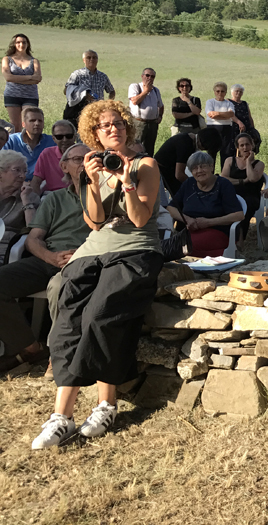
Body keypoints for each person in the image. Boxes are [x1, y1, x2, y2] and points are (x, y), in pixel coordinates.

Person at [32, 100, 163, 449]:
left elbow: (139, 219)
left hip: (135, 249)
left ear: (127, 128)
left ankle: (106, 405)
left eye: (118, 123)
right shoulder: (93, 168)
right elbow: (94, 221)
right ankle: (62, 416)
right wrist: (91, 181)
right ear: (95, 134)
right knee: (68, 318)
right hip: (93, 250)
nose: (113, 129)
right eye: (105, 126)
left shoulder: (145, 165)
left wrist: (126, 182)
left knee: (100, 315)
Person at [0, 143, 92, 373]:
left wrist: (80, 255)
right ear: (64, 166)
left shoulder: (107, 198)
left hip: (85, 260)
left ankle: (59, 354)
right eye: (78, 159)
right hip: (48, 258)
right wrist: (50, 257)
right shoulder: (55, 199)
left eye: (89, 159)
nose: (84, 164)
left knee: (60, 287)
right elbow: (33, 239)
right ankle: (30, 347)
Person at [167, 151, 244, 257]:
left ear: (211, 167)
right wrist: (187, 219)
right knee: (174, 245)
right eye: (195, 168)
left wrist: (208, 222)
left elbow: (239, 215)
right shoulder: (188, 184)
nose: (199, 171)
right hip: (191, 231)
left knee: (184, 246)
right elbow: (171, 207)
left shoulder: (223, 185)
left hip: (218, 231)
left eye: (203, 166)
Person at [153, 126, 222, 197]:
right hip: (162, 170)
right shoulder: (186, 145)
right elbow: (179, 175)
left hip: (168, 168)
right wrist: (196, 185)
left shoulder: (189, 138)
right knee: (183, 195)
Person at [221, 133, 264, 244]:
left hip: (251, 195)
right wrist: (243, 181)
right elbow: (224, 179)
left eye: (247, 144)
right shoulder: (230, 160)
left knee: (246, 204)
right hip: (233, 194)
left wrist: (248, 162)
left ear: (252, 145)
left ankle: (240, 239)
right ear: (237, 147)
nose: (245, 148)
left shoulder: (259, 164)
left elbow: (252, 178)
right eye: (242, 145)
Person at [0, 150, 39, 262]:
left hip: (5, 250)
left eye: (24, 171)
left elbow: (33, 229)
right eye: (17, 170)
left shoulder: (30, 197)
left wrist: (25, 199)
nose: (22, 176)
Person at [63, 50, 115, 129]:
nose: (91, 59)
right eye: (88, 57)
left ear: (97, 60)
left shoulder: (103, 76)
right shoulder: (77, 74)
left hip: (98, 111)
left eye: (94, 57)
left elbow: (111, 91)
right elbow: (66, 90)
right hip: (80, 111)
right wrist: (82, 94)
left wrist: (108, 103)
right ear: (84, 60)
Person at [2, 33, 42, 132]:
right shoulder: (7, 59)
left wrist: (16, 78)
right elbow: (8, 77)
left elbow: (37, 79)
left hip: (30, 96)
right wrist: (30, 77)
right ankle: (15, 142)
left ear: (28, 44)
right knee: (15, 125)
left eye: (24, 42)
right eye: (18, 42)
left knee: (29, 123)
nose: (21, 45)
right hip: (12, 94)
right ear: (14, 44)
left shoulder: (34, 61)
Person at [5, 106, 55, 180]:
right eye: (32, 120)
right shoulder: (11, 141)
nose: (37, 123)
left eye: (40, 121)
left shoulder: (52, 141)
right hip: (15, 181)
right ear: (23, 124)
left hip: (43, 182)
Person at [30, 119, 78, 196]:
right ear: (53, 139)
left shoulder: (84, 153)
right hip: (53, 195)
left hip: (78, 194)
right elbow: (36, 181)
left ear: (75, 137)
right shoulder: (47, 154)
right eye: (59, 137)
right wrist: (34, 200)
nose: (65, 140)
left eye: (69, 136)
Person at [127, 68, 164, 156]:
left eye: (152, 76)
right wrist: (146, 91)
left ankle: (148, 163)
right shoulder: (135, 86)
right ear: (142, 76)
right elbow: (135, 101)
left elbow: (161, 105)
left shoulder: (156, 90)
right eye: (147, 75)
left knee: (150, 148)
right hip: (139, 123)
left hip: (153, 123)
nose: (149, 78)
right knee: (135, 147)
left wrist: (160, 116)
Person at [205, 82, 243, 166]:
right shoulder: (210, 102)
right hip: (212, 129)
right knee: (211, 153)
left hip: (226, 130)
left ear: (225, 92)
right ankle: (210, 172)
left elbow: (231, 114)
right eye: (218, 91)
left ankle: (224, 172)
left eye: (222, 91)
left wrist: (217, 114)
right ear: (214, 92)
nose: (220, 93)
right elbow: (211, 115)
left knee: (226, 153)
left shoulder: (229, 103)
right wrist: (225, 116)